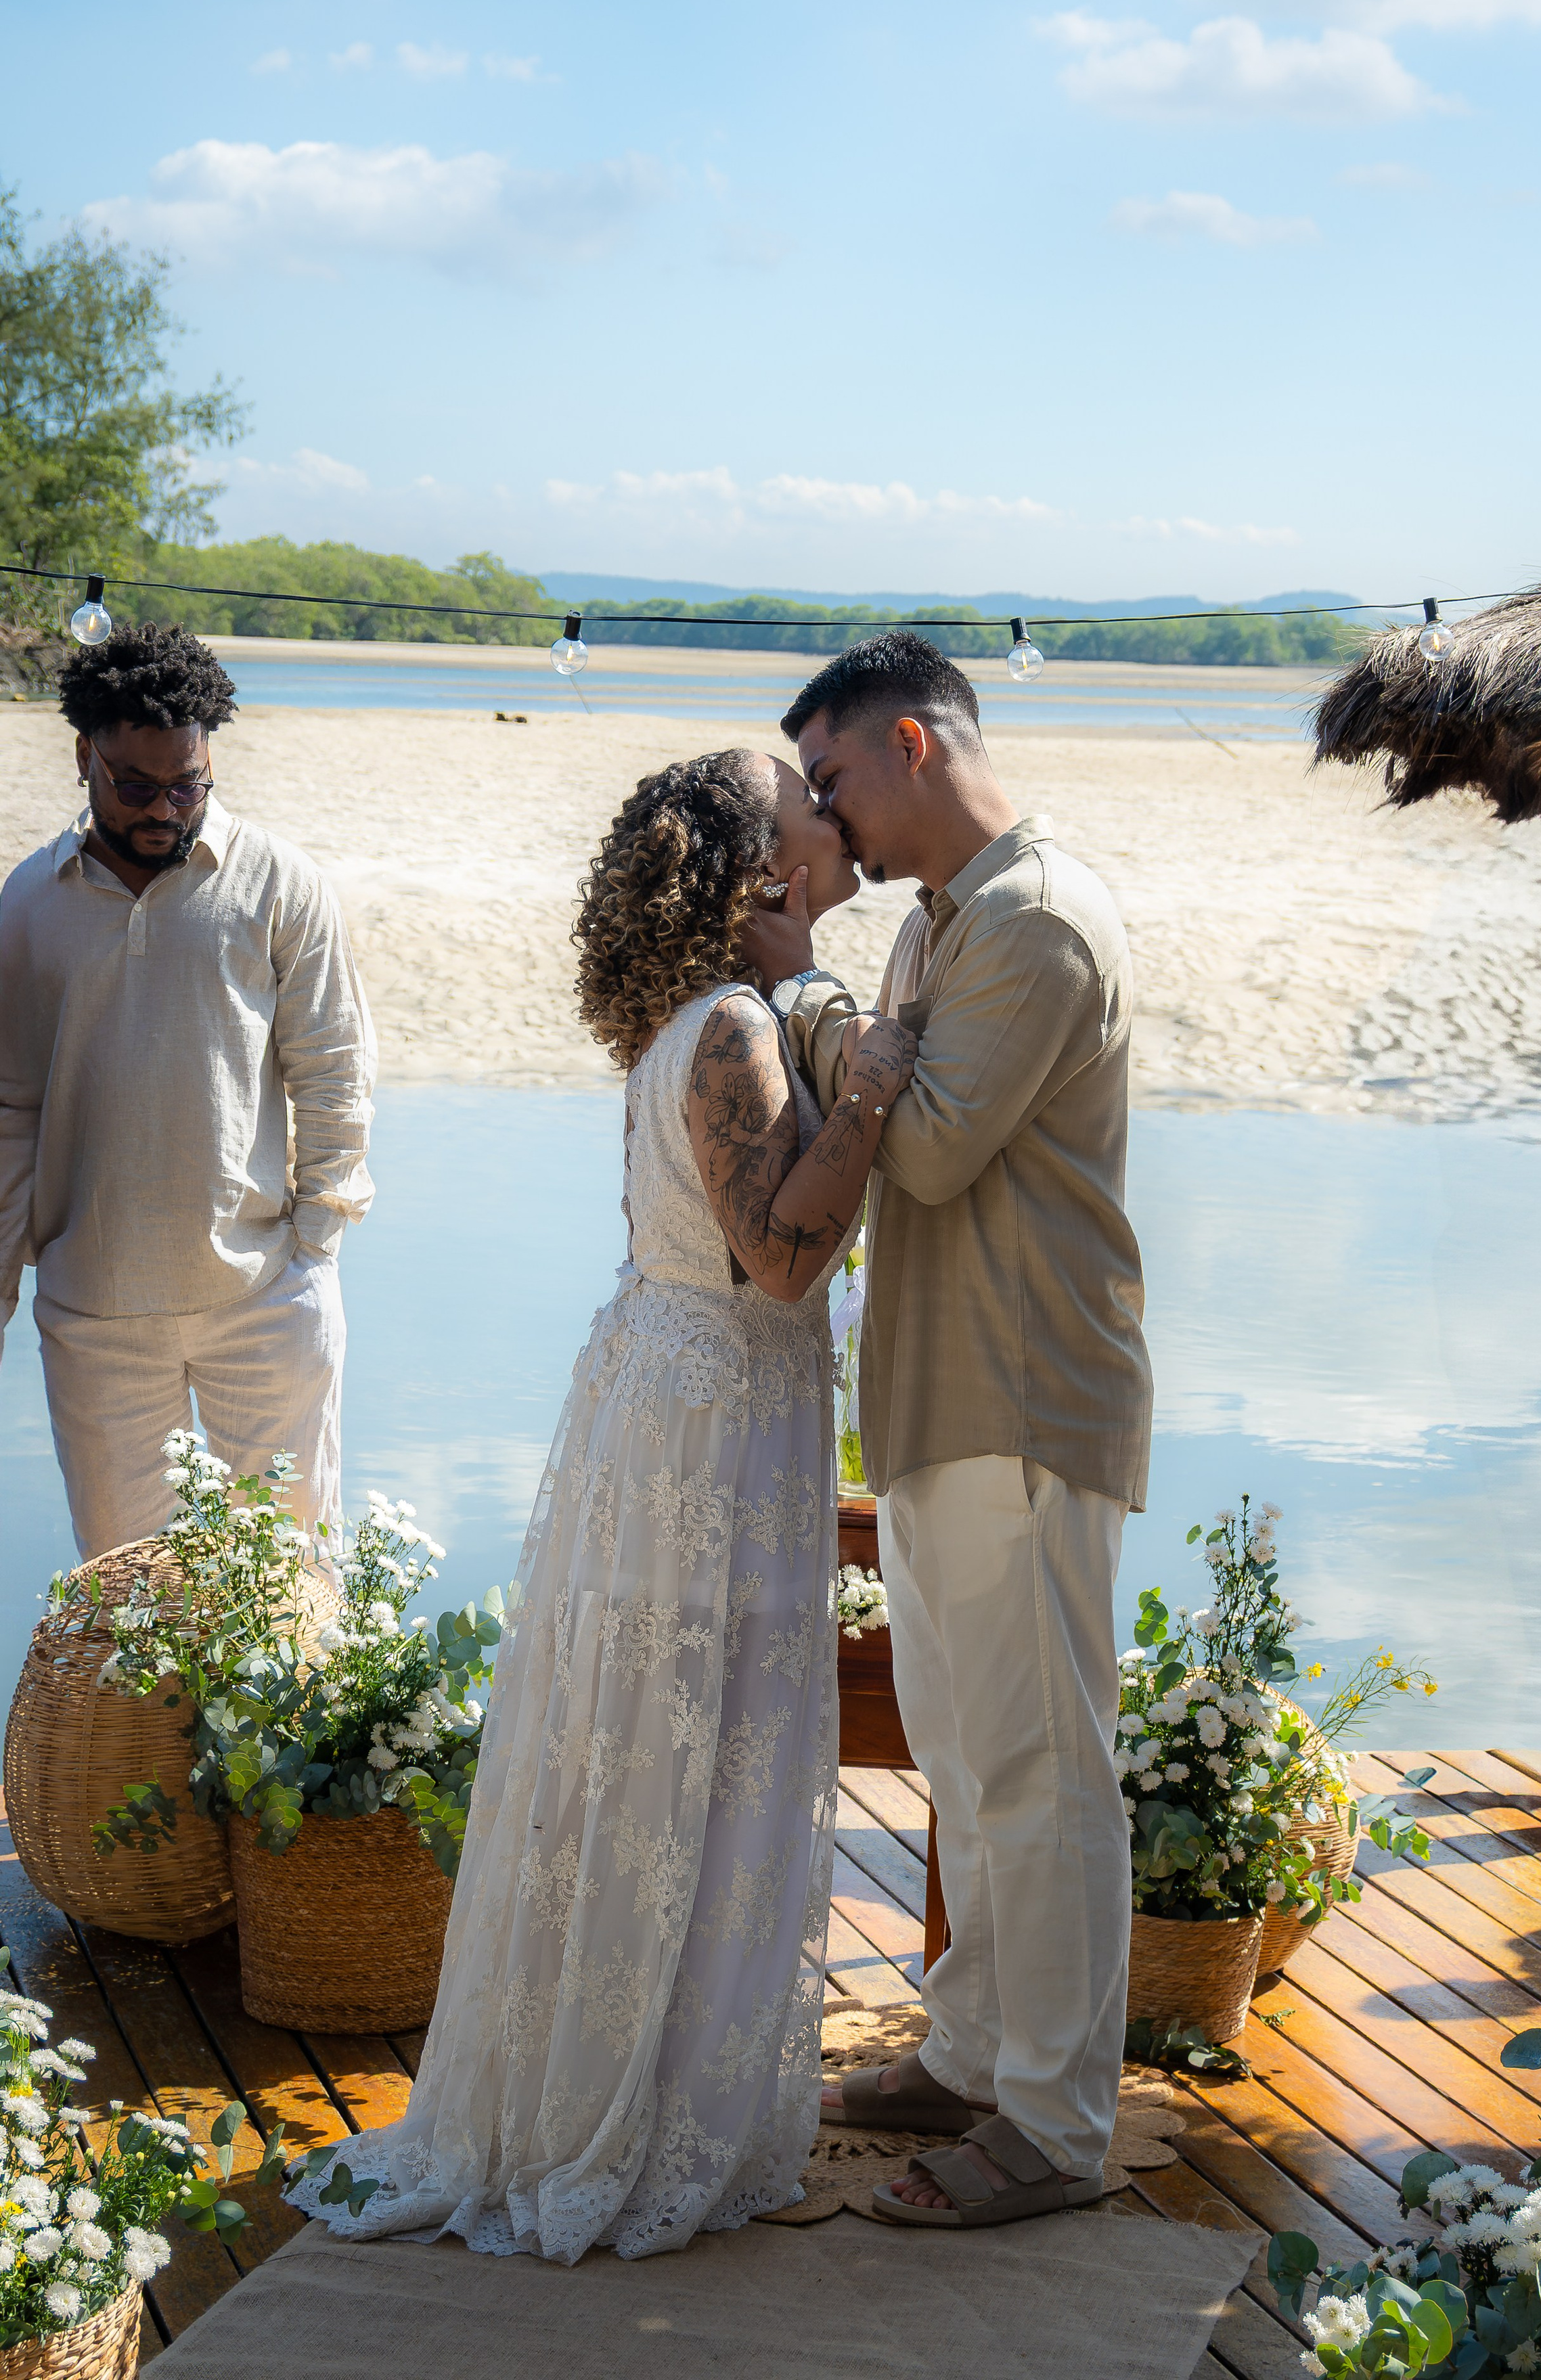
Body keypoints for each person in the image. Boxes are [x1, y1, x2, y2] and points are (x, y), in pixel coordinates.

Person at [290, 749, 915, 2261]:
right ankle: (628, 2106)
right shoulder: (727, 1030)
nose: (820, 832)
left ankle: (642, 2077)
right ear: (750, 870)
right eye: (796, 819)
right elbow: (779, 1258)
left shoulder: (693, 1019)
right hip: (708, 1415)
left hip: (685, 1394)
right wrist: (876, 1100)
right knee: (688, 1747)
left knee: (666, 1744)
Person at [742, 629, 1154, 2231]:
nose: (826, 821)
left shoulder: (1035, 919)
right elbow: (888, 1115)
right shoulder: (945, 918)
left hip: (1028, 1392)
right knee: (970, 1756)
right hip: (941, 1391)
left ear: (910, 744)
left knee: (1044, 1767)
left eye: (833, 778)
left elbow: (916, 1155)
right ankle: (976, 2051)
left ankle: (1052, 2128)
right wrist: (854, 1027)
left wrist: (807, 992)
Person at [0, 624, 375, 1558]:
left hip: (264, 1302)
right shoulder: (26, 904)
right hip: (94, 1316)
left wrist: (314, 1249)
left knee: (291, 1595)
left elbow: (334, 1070)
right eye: (136, 786)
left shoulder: (282, 882)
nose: (166, 808)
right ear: (84, 755)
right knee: (129, 1611)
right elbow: (10, 1111)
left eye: (190, 783)